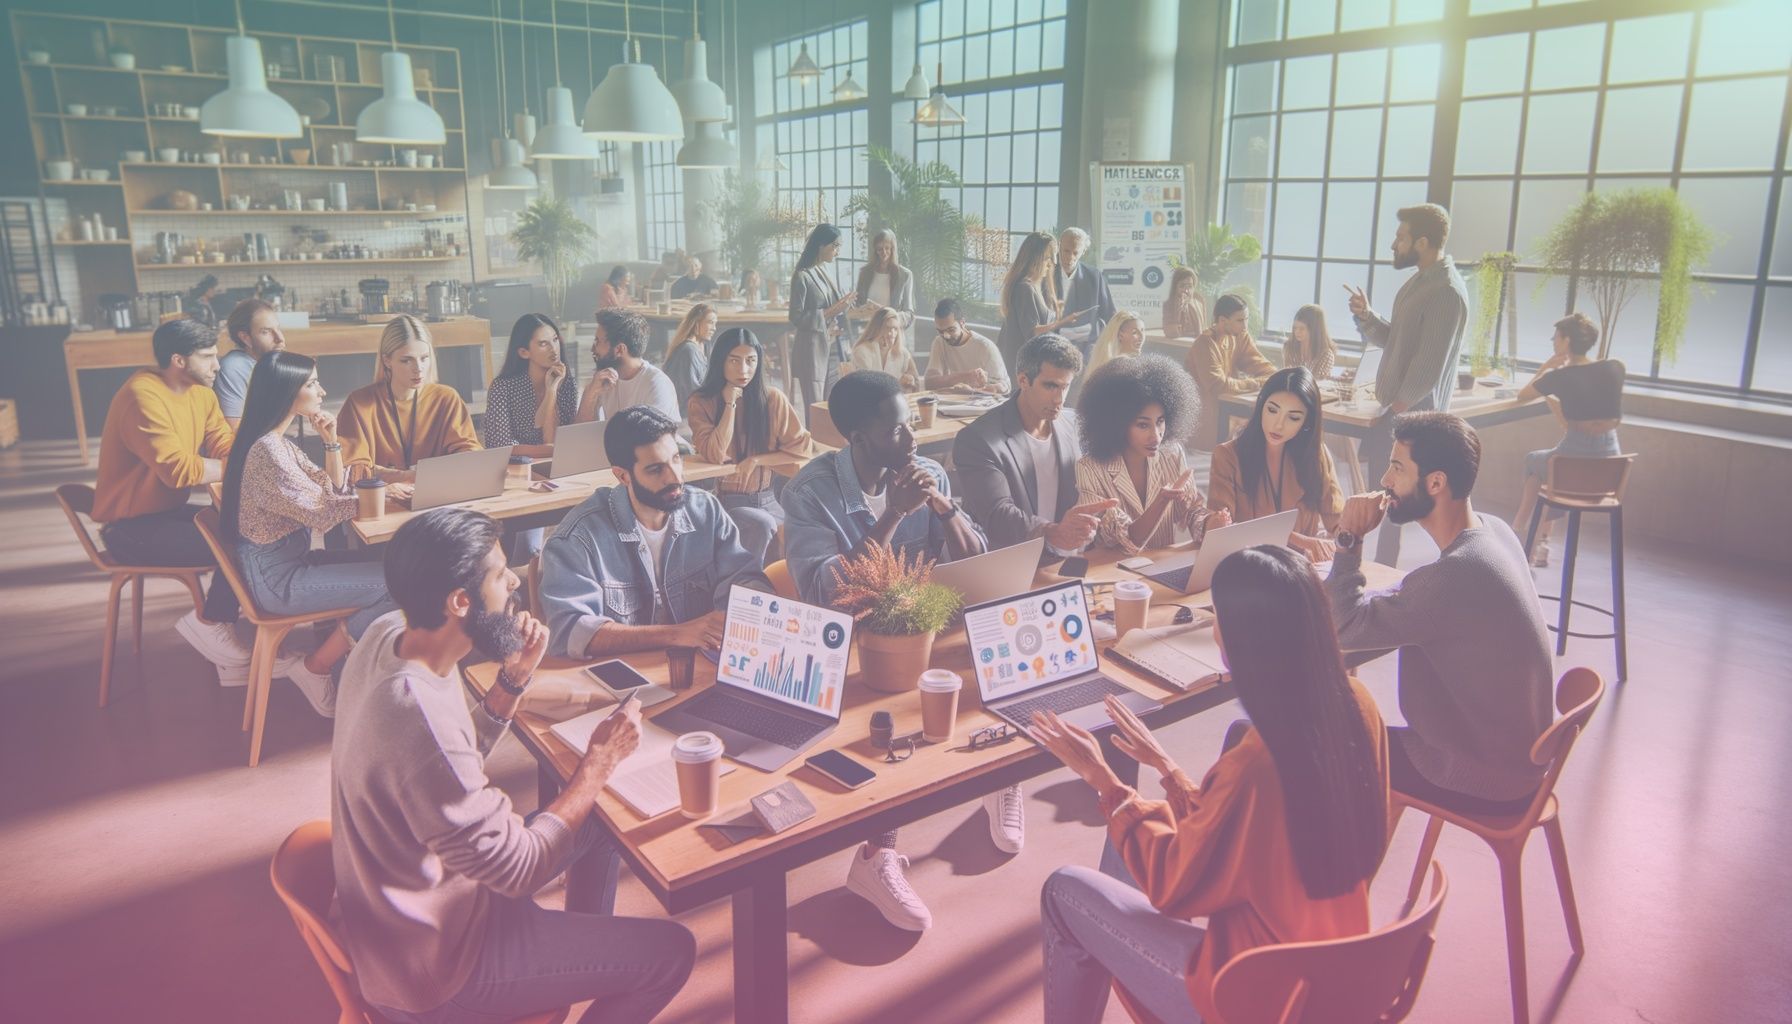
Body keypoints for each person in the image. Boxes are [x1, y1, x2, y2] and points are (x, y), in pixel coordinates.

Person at [331, 506, 694, 1024]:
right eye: (502, 576)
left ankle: (577, 953)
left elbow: (439, 772)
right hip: (441, 970)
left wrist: (514, 679)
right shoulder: (418, 714)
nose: (516, 587)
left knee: (600, 817)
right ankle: (568, 961)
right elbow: (518, 869)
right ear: (460, 602)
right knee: (672, 953)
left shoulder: (389, 637)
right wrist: (597, 762)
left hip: (410, 909)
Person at [1032, 544, 1389, 1024]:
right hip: (1335, 972)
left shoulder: (1258, 766)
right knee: (1126, 837)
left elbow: (1176, 884)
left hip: (1252, 997)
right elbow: (1242, 838)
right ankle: (1112, 948)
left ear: (1240, 640)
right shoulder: (1357, 704)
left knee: (1064, 890)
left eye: (1216, 614)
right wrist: (1168, 771)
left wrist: (1106, 782)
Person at [781, 371, 1011, 932]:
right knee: (884, 730)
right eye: (895, 430)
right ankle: (876, 855)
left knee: (991, 664)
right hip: (850, 648)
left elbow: (974, 556)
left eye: (910, 423)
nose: (911, 439)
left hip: (922, 627)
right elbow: (825, 593)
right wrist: (895, 514)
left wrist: (944, 510)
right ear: (858, 437)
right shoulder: (809, 492)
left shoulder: (922, 472)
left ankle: (1003, 778)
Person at [1328, 412, 1554, 816]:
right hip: (1517, 764)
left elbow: (1341, 627)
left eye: (1397, 467)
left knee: (1295, 749)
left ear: (1435, 482)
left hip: (1476, 774)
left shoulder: (1457, 574)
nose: (1384, 480)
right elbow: (1425, 600)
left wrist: (1349, 537)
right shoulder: (1493, 532)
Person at [219, 351, 398, 716]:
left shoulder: (276, 442)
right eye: (312, 383)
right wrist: (383, 495)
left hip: (287, 563)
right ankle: (318, 667)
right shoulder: (268, 450)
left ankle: (353, 675)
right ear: (288, 392)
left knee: (396, 569)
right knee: (397, 584)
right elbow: (324, 514)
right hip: (279, 580)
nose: (322, 390)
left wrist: (331, 442)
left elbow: (328, 490)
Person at [539, 406, 770, 660]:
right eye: (655, 469)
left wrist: (754, 609)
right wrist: (678, 634)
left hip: (699, 670)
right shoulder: (579, 538)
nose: (675, 478)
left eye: (676, 459)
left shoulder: (706, 510)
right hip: (625, 684)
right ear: (623, 476)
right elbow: (569, 633)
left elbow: (744, 579)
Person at [92, 317, 245, 683]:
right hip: (130, 530)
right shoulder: (141, 396)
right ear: (179, 360)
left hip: (165, 513)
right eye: (208, 356)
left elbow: (224, 443)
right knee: (239, 544)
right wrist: (235, 467)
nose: (217, 365)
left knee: (250, 530)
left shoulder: (202, 394)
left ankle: (225, 655)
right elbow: (178, 471)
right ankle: (210, 623)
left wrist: (242, 455)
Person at [1344, 202, 1470, 565]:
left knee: (1396, 500)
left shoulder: (1445, 290)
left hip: (1413, 414)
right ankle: (1371, 567)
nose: (1393, 244)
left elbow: (1427, 365)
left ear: (1422, 243)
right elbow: (1397, 340)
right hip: (1402, 410)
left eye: (1401, 237)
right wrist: (1367, 317)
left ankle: (1380, 570)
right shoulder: (1420, 282)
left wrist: (1397, 412)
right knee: (1386, 496)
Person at [956, 334, 1118, 559]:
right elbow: (997, 514)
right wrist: (1052, 532)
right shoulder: (977, 440)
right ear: (1023, 380)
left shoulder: (1075, 425)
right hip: (1006, 566)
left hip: (1064, 563)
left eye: (1065, 386)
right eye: (1050, 386)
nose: (1059, 398)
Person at [687, 328, 814, 563]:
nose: (743, 370)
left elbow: (802, 446)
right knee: (762, 525)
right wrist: (730, 404)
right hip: (729, 502)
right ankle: (744, 588)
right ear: (720, 361)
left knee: (805, 528)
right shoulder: (701, 401)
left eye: (751, 360)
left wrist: (758, 459)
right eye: (734, 361)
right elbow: (715, 454)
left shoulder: (773, 399)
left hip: (770, 499)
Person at [1073, 355, 1220, 554]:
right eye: (1143, 425)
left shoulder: (1172, 453)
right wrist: (1162, 500)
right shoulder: (1089, 468)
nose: (1156, 436)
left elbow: (1191, 511)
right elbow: (1126, 539)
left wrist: (1211, 523)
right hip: (1112, 573)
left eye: (1160, 421)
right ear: (1117, 424)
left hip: (1160, 568)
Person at [1512, 312, 1623, 567]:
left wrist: (1546, 367)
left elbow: (1522, 395)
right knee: (1551, 471)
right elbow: (1592, 417)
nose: (1553, 341)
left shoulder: (1559, 377)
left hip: (1573, 463)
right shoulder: (1614, 367)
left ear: (1566, 341)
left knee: (1535, 464)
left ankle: (1520, 534)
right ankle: (1541, 543)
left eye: (1556, 337)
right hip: (1610, 469)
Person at [1209, 366, 1344, 563]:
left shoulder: (1317, 455)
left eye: (1293, 417)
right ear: (1260, 406)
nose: (1278, 425)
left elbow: (1338, 522)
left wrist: (1355, 527)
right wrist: (1302, 541)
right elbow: (1221, 532)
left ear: (1306, 422)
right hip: (1247, 569)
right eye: (1272, 410)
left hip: (1300, 570)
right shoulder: (1227, 456)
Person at [337, 315, 481, 492]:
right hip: (381, 501)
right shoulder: (359, 404)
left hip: (439, 496)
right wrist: (408, 477)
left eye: (424, 358)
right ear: (387, 361)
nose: (418, 368)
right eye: (406, 360)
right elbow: (352, 471)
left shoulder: (447, 398)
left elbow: (471, 455)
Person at [1186, 293, 1277, 451]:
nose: (1245, 326)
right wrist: (1254, 383)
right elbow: (1217, 384)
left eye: (1246, 319)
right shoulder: (1205, 343)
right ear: (1222, 321)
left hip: (1229, 414)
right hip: (1206, 423)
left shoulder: (1239, 336)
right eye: (1240, 320)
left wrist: (1273, 377)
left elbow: (1263, 367)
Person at [482, 314, 577, 459]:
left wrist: (551, 392)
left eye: (555, 339)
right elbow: (500, 446)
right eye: (543, 344)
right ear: (524, 352)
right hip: (515, 470)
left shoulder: (567, 384)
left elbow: (559, 439)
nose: (554, 349)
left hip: (557, 466)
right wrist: (551, 450)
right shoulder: (502, 388)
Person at [788, 223, 857, 410]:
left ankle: (830, 440)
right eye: (834, 246)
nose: (837, 251)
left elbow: (833, 308)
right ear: (820, 245)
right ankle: (813, 440)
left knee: (832, 405)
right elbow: (795, 317)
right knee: (815, 408)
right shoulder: (801, 276)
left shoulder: (824, 271)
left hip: (832, 346)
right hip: (812, 350)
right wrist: (830, 312)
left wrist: (843, 305)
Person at [575, 308, 681, 425]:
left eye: (598, 341)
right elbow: (581, 430)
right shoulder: (604, 379)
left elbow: (650, 439)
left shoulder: (657, 384)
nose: (593, 348)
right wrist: (591, 393)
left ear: (619, 349)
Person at [997, 231, 1078, 381]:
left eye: (1054, 256)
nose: (1053, 262)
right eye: (1048, 257)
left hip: (1032, 366)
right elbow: (1032, 332)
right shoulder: (1024, 288)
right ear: (1035, 258)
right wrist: (1063, 322)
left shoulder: (1037, 286)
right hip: (1022, 370)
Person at [215, 297, 286, 427]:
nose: (280, 339)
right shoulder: (234, 367)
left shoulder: (268, 361)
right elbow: (234, 430)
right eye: (266, 332)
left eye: (278, 329)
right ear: (245, 338)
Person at [1051, 226, 1117, 361]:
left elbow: (1109, 314)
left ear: (1084, 251)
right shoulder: (1046, 274)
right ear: (1059, 246)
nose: (1070, 257)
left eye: (1075, 252)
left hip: (1087, 351)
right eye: (1066, 251)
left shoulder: (1094, 276)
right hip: (1051, 350)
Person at [924, 297, 1008, 394]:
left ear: (962, 323)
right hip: (952, 404)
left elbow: (1003, 388)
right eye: (940, 331)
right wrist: (966, 376)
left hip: (982, 405)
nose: (946, 336)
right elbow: (929, 383)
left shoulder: (985, 346)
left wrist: (972, 391)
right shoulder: (939, 342)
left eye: (951, 330)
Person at [853, 228, 916, 349]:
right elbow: (857, 306)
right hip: (868, 333)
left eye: (887, 248)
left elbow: (909, 314)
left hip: (892, 335)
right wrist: (860, 310)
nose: (884, 252)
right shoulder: (865, 273)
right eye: (879, 249)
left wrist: (890, 317)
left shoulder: (905, 275)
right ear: (875, 250)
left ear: (893, 249)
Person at [662, 302, 718, 417]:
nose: (714, 328)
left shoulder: (705, 345)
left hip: (699, 408)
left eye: (715, 324)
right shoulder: (688, 351)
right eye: (710, 323)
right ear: (696, 323)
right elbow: (692, 394)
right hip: (686, 415)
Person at [845, 306, 920, 389]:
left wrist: (911, 380)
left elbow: (916, 382)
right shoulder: (862, 351)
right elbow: (866, 388)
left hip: (898, 401)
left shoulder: (903, 353)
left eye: (895, 329)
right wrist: (898, 384)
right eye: (887, 328)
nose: (892, 333)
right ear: (876, 328)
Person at [1084, 310, 1146, 377]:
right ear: (1120, 335)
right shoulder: (1113, 370)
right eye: (1135, 332)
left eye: (1142, 331)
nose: (1141, 337)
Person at [1283, 303, 1337, 378]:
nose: (1297, 332)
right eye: (1295, 328)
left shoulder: (1326, 355)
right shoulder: (1289, 347)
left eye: (1302, 328)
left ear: (1314, 330)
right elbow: (1287, 376)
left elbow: (1317, 384)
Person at [1161, 266, 1206, 339]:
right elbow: (1172, 334)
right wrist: (1178, 310)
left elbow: (1204, 331)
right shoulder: (1168, 305)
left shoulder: (1199, 302)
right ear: (1175, 287)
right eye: (1182, 286)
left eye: (1190, 286)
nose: (1186, 291)